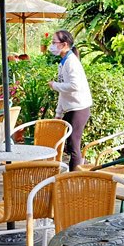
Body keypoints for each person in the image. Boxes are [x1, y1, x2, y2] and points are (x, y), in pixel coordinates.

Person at [48, 30, 92, 169]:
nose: (52, 45)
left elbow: (74, 86)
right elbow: (63, 91)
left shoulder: (71, 62)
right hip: (70, 109)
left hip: (79, 109)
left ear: (64, 44)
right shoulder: (64, 62)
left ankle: (73, 179)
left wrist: (55, 85)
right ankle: (71, 177)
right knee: (70, 145)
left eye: (54, 42)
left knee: (74, 146)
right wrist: (58, 113)